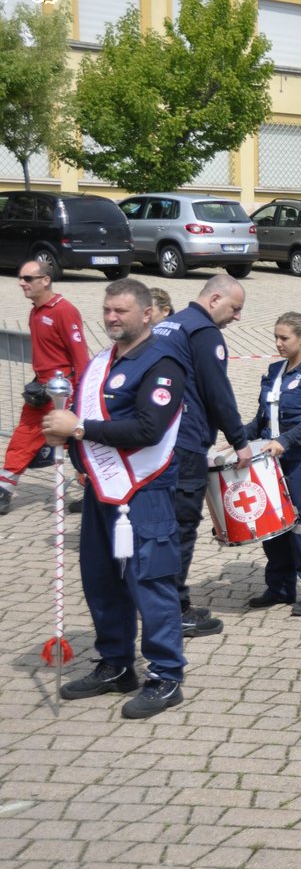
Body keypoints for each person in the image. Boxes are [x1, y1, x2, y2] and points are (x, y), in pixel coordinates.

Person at [44, 279, 188, 719]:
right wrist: (72, 448)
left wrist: (80, 430)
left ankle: (166, 676)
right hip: (102, 491)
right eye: (107, 310)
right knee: (101, 579)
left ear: (147, 314)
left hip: (146, 491)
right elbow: (83, 417)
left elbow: (148, 429)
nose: (111, 318)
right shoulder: (102, 362)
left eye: (121, 311)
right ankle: (115, 665)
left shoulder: (163, 364)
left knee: (150, 582)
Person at [148, 274, 253, 640]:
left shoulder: (167, 326)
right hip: (185, 444)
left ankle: (155, 599)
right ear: (214, 299)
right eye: (234, 308)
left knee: (160, 527)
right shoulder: (204, 332)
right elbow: (217, 392)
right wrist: (239, 440)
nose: (237, 317)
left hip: (155, 443)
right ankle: (174, 609)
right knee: (181, 528)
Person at [246, 312, 301, 617]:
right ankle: (280, 588)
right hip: (271, 467)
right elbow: (262, 419)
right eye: (276, 337)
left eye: (284, 338)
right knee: (275, 531)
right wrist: (237, 440)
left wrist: (285, 441)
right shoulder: (274, 371)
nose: (278, 343)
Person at [0, 260, 89, 515]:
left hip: (62, 389)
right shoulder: (35, 311)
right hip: (40, 388)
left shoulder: (64, 311)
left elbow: (80, 355)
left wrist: (80, 393)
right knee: (24, 434)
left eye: (27, 278)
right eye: (21, 278)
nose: (21, 283)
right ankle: (4, 488)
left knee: (76, 440)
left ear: (45, 280)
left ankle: (91, 488)